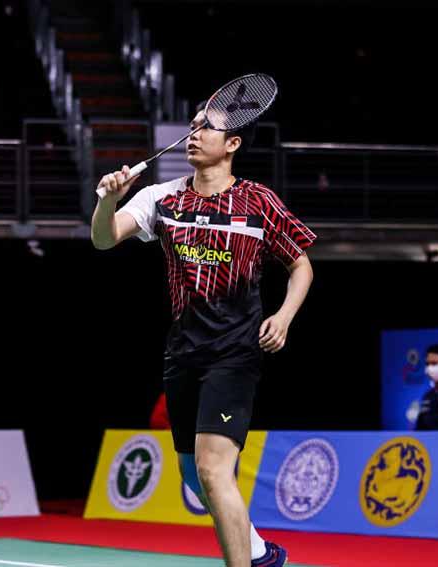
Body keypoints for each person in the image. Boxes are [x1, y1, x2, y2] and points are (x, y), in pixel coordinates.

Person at [91, 103, 316, 567]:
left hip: (234, 353)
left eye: (205, 128)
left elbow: (300, 264)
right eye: (192, 127)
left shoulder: (257, 201)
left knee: (214, 471)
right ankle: (259, 552)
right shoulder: (161, 197)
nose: (193, 135)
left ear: (232, 144)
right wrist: (107, 199)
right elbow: (104, 237)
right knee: (195, 475)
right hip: (183, 354)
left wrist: (284, 315)